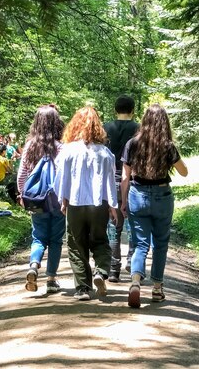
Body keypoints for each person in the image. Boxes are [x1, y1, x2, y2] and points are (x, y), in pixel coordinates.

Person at [120, 103, 188, 308]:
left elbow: (125, 176)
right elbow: (184, 172)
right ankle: (157, 288)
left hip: (137, 195)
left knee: (140, 243)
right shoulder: (168, 146)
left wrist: (123, 202)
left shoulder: (132, 143)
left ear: (145, 121)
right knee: (160, 243)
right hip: (162, 195)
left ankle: (135, 283)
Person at [54, 106, 119, 301]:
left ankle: (82, 288)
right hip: (99, 204)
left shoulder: (68, 151)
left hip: (75, 203)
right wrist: (113, 206)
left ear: (75, 125)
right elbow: (110, 181)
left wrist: (62, 200)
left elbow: (61, 178)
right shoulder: (106, 153)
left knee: (76, 244)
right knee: (100, 241)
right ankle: (100, 272)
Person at [17, 105, 65, 294]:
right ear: (57, 123)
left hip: (36, 200)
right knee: (56, 240)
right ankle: (51, 279)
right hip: (57, 201)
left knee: (38, 236)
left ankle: (34, 266)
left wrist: (23, 196)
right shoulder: (62, 147)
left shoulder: (30, 146)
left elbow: (22, 175)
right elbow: (66, 176)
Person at [103, 95, 140, 282]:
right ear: (133, 110)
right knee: (134, 226)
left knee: (113, 226)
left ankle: (113, 270)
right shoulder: (139, 129)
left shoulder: (105, 128)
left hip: (111, 182)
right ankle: (132, 261)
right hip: (133, 181)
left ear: (115, 110)